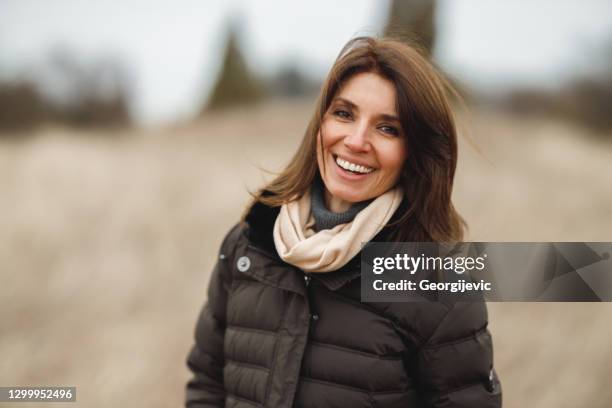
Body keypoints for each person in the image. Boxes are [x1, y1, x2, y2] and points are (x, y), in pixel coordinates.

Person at [185, 36, 502, 407]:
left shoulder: (437, 280)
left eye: (388, 128)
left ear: (414, 150)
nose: (356, 141)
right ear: (320, 122)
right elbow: (207, 383)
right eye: (344, 114)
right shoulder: (246, 246)